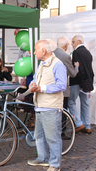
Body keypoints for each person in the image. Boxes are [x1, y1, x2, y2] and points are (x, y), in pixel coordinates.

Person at [27, 39, 67, 171]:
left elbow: (62, 85)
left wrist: (41, 88)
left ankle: (55, 165)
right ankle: (42, 158)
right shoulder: (42, 64)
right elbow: (35, 79)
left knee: (52, 138)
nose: (33, 53)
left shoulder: (57, 64)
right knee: (39, 137)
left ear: (43, 51)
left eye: (36, 50)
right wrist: (32, 84)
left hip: (51, 106)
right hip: (40, 105)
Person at [54, 36, 79, 139]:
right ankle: (61, 132)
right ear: (65, 45)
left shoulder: (51, 53)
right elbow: (72, 73)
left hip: (51, 88)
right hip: (62, 90)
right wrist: (77, 66)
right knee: (63, 112)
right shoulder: (66, 56)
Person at [68, 35, 94, 134]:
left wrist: (82, 83)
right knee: (85, 104)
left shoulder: (76, 52)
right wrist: (88, 84)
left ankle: (79, 123)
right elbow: (90, 71)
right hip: (86, 82)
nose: (72, 44)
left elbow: (79, 70)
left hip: (77, 81)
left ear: (79, 42)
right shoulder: (88, 52)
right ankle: (87, 126)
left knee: (71, 102)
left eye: (73, 42)